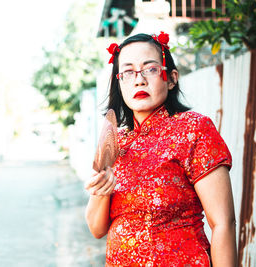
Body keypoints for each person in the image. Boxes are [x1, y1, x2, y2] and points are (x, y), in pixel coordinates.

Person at [85, 32, 237, 266]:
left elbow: (223, 223)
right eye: (128, 72)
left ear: (172, 78)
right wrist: (102, 189)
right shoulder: (116, 141)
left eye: (150, 69)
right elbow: (97, 229)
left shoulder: (194, 129)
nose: (139, 80)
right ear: (119, 83)